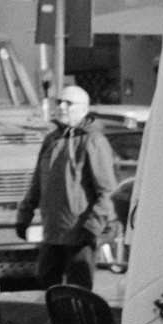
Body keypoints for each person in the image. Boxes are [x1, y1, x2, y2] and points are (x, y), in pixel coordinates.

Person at [17, 82, 124, 291]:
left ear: (83, 109)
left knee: (78, 291)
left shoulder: (94, 141)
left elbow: (107, 191)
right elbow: (38, 182)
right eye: (60, 102)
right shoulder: (52, 140)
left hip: (79, 233)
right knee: (46, 286)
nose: (62, 107)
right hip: (52, 232)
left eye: (69, 103)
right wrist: (24, 215)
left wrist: (92, 227)